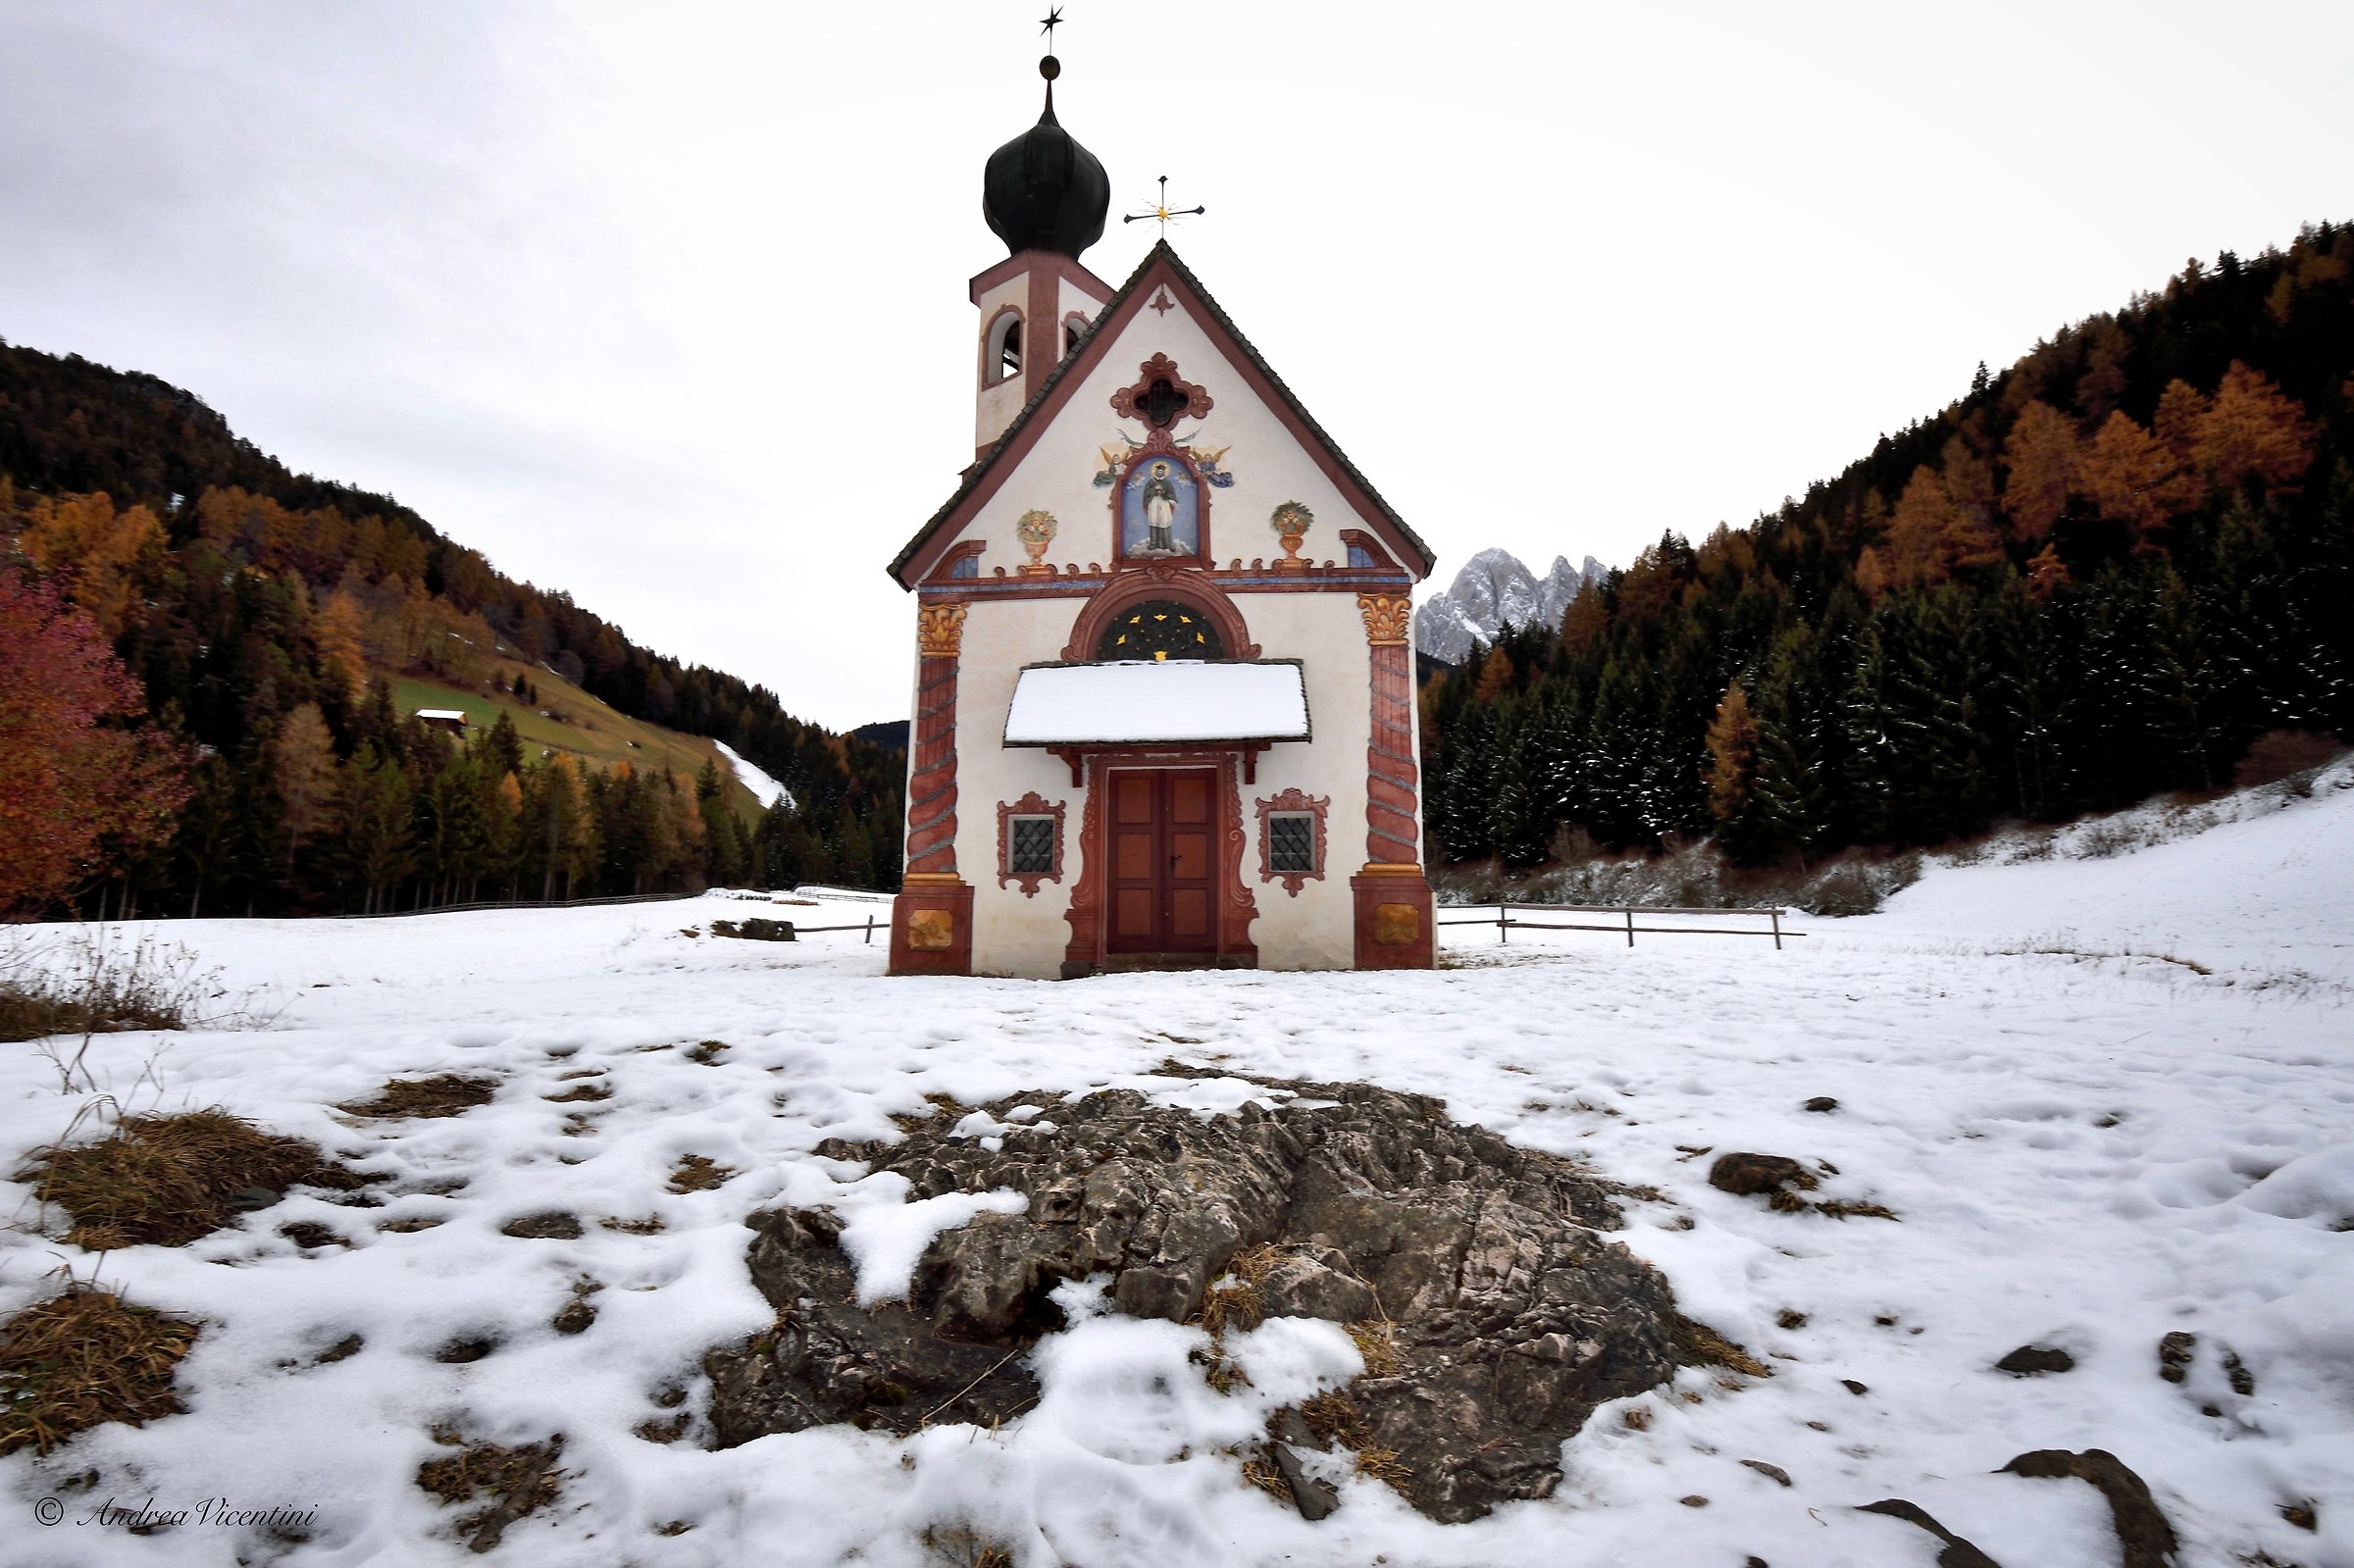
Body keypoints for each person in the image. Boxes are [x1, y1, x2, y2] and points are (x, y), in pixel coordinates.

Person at [1141, 461, 1179, 553]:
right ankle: (1154, 544)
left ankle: (1167, 544)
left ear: (1164, 472)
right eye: (1158, 471)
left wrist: (1163, 492)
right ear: (1156, 472)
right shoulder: (1151, 481)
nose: (1160, 473)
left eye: (1161, 471)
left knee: (1164, 522)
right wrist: (1154, 490)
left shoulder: (1167, 482)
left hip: (1164, 503)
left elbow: (1171, 493)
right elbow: (1146, 493)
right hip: (1153, 502)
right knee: (1154, 522)